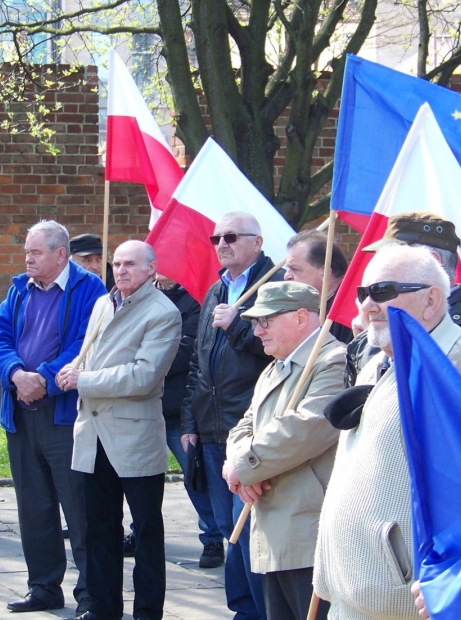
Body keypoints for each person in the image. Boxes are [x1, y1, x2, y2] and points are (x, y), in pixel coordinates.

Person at [313, 246, 461, 619]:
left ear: (431, 300)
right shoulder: (382, 361)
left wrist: (457, 577)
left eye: (383, 291)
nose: (367, 306)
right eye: (363, 293)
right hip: (352, 599)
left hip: (407, 607)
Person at [0, 220, 105, 615]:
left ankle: (91, 594)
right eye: (26, 252)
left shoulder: (89, 289)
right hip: (21, 413)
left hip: (65, 417)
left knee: (80, 509)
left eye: (36, 252)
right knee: (34, 508)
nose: (28, 259)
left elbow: (86, 343)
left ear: (60, 254)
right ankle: (43, 587)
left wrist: (45, 379)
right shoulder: (20, 288)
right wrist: (16, 374)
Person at [57, 241, 181, 620]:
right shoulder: (102, 303)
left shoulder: (163, 312)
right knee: (98, 528)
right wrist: (73, 368)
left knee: (146, 531)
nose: (121, 270)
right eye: (116, 264)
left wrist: (84, 380)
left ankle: (147, 612)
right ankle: (102, 608)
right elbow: (91, 355)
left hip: (134, 436)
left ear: (151, 268)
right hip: (92, 434)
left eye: (130, 264)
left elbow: (144, 376)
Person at [181, 210, 284, 620]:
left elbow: (281, 351)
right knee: (228, 528)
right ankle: (242, 609)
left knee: (251, 527)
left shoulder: (274, 287)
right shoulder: (215, 290)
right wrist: (190, 420)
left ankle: (262, 611)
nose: (222, 244)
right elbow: (198, 360)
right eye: (217, 238)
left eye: (231, 237)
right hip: (211, 429)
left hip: (251, 427)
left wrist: (237, 326)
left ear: (257, 242)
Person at [223, 282, 345, 620]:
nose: (257, 331)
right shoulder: (274, 367)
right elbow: (244, 426)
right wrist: (238, 466)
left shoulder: (333, 361)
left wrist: (244, 467)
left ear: (301, 317)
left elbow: (305, 429)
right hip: (274, 532)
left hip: (308, 532)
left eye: (266, 321)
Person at [123, 273, 225, 568]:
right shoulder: (137, 299)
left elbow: (187, 350)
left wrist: (144, 359)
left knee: (195, 477)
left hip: (176, 408)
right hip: (141, 405)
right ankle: (139, 532)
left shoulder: (193, 301)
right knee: (140, 478)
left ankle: (212, 537)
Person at [344, 212, 461, 386]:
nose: (367, 305)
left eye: (384, 289)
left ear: (433, 261)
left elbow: (402, 391)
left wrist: (369, 341)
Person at [283, 230, 352, 343]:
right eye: (288, 268)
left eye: (295, 269)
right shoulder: (306, 306)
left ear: (324, 272)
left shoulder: (347, 314)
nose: (287, 276)